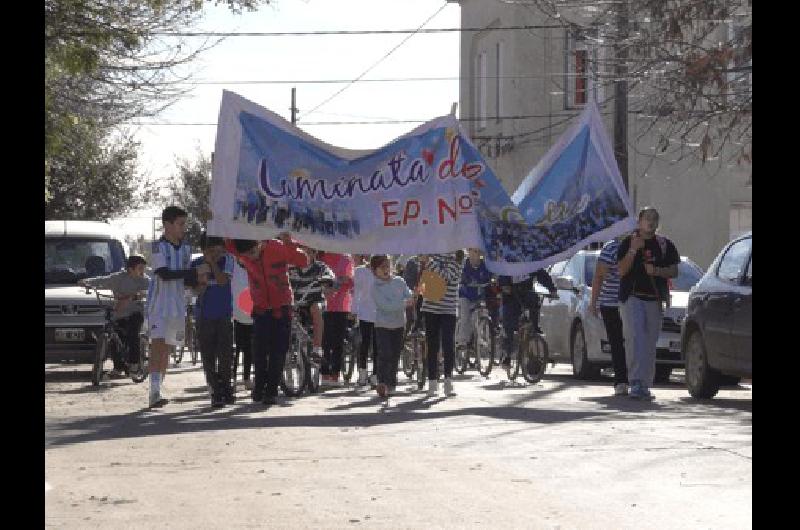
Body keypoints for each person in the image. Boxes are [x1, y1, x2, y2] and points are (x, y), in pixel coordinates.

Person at [224, 233, 308, 405]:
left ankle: (271, 391)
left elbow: (303, 261)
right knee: (259, 352)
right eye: (247, 256)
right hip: (261, 309)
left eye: (253, 252)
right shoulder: (240, 249)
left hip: (282, 307)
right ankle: (259, 388)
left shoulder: (278, 247)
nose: (251, 257)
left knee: (278, 351)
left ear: (260, 242)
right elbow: (226, 237)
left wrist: (289, 243)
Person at [147, 206, 208, 408]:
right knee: (158, 346)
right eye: (180, 224)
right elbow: (164, 273)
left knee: (167, 349)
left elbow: (186, 279)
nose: (184, 228)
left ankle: (158, 388)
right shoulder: (158, 247)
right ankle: (154, 391)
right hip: (159, 305)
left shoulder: (186, 249)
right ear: (167, 225)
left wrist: (198, 283)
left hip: (177, 305)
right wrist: (190, 273)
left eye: (185, 224)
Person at [617, 206, 680, 400]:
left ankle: (645, 383)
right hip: (632, 298)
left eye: (654, 219)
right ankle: (635, 381)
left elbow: (674, 271)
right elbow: (621, 270)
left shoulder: (664, 245)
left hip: (654, 298)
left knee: (649, 343)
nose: (650, 222)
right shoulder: (628, 242)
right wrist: (633, 250)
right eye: (647, 218)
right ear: (639, 221)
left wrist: (657, 272)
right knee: (635, 339)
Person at [79, 255, 150, 377]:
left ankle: (134, 365)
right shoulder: (118, 278)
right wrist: (87, 282)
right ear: (130, 269)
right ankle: (118, 367)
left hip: (136, 312)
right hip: (120, 313)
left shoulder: (146, 280)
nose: (142, 271)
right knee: (114, 337)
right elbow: (103, 280)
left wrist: (140, 295)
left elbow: (153, 292)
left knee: (133, 335)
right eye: (140, 268)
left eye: (143, 268)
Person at [191, 232, 235, 408]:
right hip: (204, 316)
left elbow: (223, 281)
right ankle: (215, 391)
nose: (216, 254)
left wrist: (213, 264)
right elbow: (195, 291)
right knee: (208, 357)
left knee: (225, 356)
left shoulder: (228, 261)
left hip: (224, 315)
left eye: (219, 251)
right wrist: (201, 282)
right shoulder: (195, 264)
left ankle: (226, 387)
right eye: (211, 251)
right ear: (203, 250)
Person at [371, 254, 413, 399]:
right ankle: (382, 382)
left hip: (399, 324)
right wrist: (403, 303)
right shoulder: (375, 287)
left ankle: (392, 384)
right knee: (385, 353)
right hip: (382, 325)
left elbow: (408, 294)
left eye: (387, 266)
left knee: (395, 355)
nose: (386, 269)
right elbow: (385, 306)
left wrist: (415, 294)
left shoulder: (399, 281)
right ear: (375, 270)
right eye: (382, 267)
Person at [589, 237, 628, 396]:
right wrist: (594, 302)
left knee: (634, 341)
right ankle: (621, 381)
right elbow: (599, 276)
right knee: (617, 342)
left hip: (632, 303)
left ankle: (638, 379)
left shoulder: (639, 244)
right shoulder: (610, 248)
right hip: (611, 304)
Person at [421, 253, 461, 397]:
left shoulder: (457, 258)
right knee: (432, 345)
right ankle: (432, 382)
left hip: (448, 309)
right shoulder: (432, 254)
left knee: (448, 344)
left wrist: (430, 263)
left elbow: (446, 277)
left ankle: (448, 380)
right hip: (430, 307)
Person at [498, 269, 557, 367]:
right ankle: (507, 356)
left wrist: (552, 289)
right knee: (508, 323)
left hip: (527, 292)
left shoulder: (530, 259)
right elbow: (504, 270)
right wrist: (505, 284)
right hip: (511, 295)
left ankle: (534, 331)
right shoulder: (510, 258)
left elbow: (541, 273)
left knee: (534, 302)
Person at [288, 245, 336, 363]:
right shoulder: (291, 267)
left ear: (315, 254)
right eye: (303, 252)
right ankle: (284, 352)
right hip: (295, 303)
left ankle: (317, 348)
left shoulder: (320, 267)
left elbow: (330, 276)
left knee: (316, 309)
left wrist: (327, 280)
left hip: (314, 301)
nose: (306, 255)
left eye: (309, 252)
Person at [319, 252, 354, 386]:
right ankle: (324, 374)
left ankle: (335, 374)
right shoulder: (321, 257)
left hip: (341, 306)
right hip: (323, 305)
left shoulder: (346, 259)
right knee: (324, 342)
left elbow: (350, 281)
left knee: (338, 342)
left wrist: (340, 282)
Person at [456, 248, 493, 349]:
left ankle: (481, 337)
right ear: (469, 252)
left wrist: (492, 280)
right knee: (465, 317)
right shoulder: (464, 265)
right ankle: (462, 341)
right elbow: (461, 276)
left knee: (482, 314)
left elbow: (490, 276)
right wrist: (465, 281)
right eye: (474, 251)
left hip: (479, 296)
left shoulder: (484, 265)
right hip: (465, 295)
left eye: (479, 251)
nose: (477, 254)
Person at [352, 254, 377, 386]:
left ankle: (376, 374)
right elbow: (357, 292)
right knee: (365, 343)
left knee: (378, 344)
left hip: (381, 313)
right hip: (365, 313)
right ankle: (362, 373)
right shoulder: (360, 271)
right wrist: (354, 310)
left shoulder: (383, 271)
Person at [231, 257, 254, 390]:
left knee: (249, 350)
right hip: (235, 315)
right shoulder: (233, 266)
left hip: (252, 314)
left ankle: (246, 378)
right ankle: (232, 378)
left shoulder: (253, 266)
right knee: (236, 348)